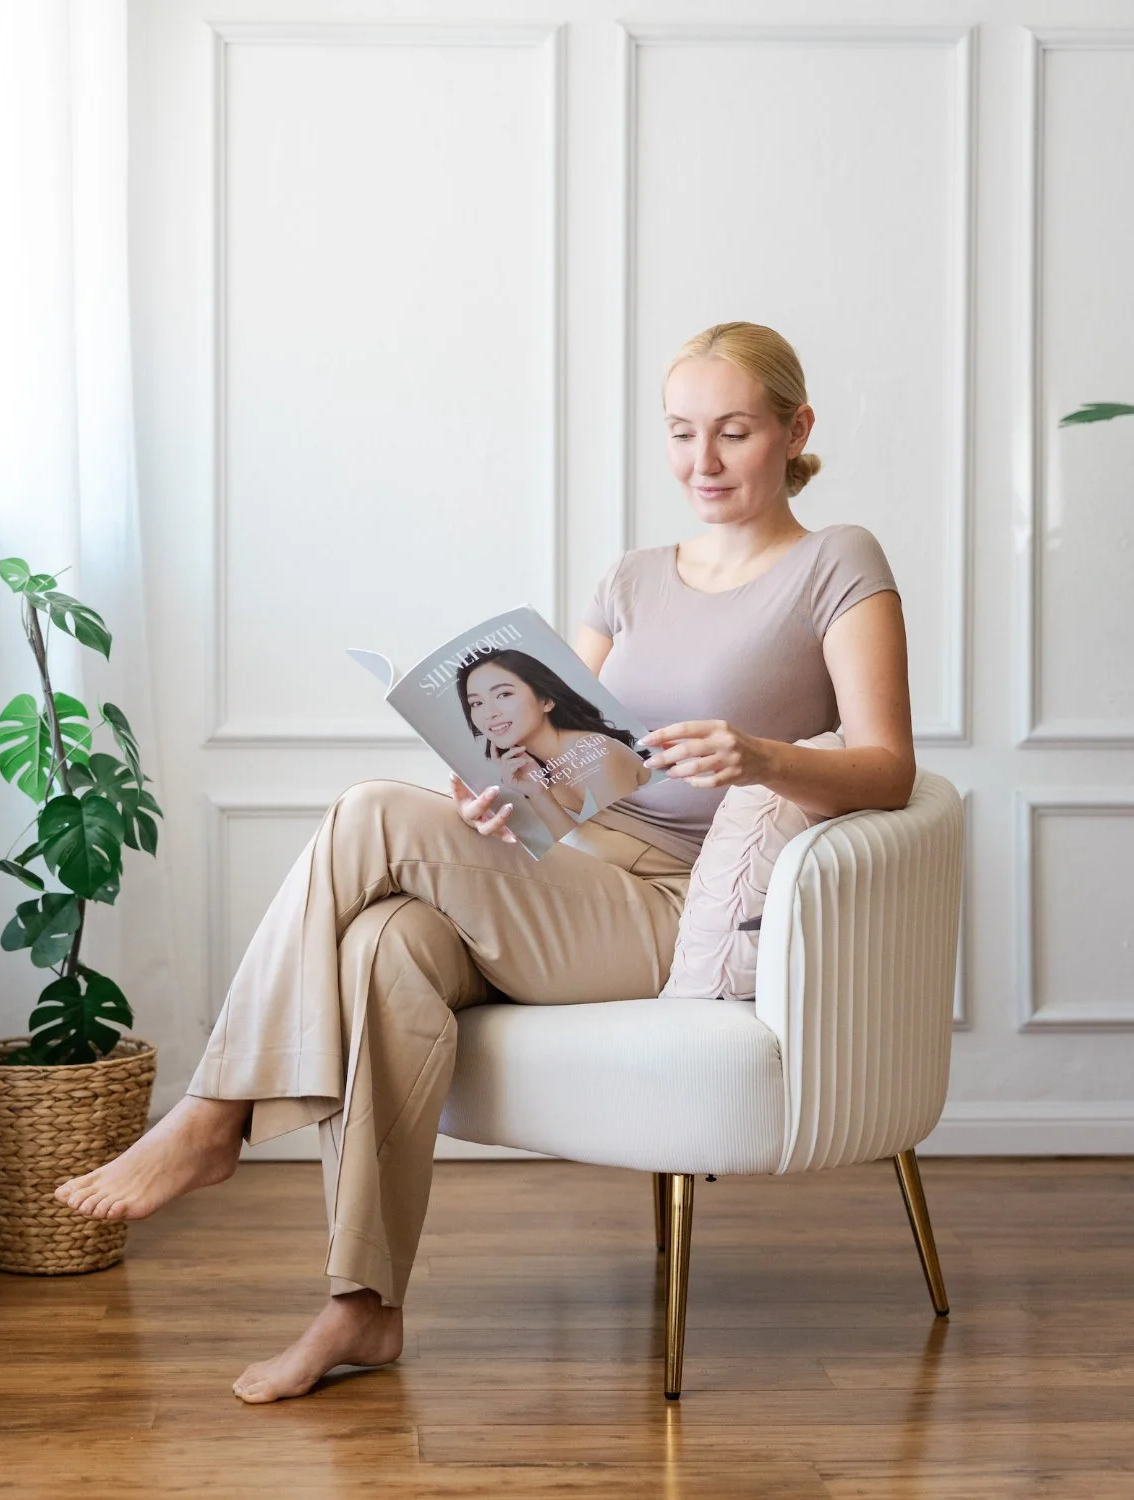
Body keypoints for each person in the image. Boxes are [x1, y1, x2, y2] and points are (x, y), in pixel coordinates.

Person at [53, 320, 915, 1404]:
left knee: (369, 808)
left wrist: (760, 755)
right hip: (570, 866)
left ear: (796, 431)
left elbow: (888, 769)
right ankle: (359, 1311)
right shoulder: (632, 579)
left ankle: (213, 1114)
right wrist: (499, 797)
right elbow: (572, 752)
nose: (703, 462)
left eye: (734, 434)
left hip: (667, 902)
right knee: (385, 944)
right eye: (682, 433)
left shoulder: (839, 561)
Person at [458, 650, 653, 841]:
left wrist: (540, 797)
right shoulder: (530, 771)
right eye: (476, 703)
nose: (489, 713)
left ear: (546, 700)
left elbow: (611, 853)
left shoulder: (593, 751)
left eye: (503, 694)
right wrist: (538, 793)